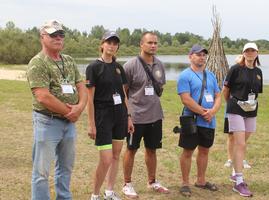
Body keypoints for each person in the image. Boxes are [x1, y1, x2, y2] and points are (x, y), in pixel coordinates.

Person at [26, 20, 87, 200]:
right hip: (47, 122)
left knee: (65, 168)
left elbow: (81, 85)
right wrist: (70, 112)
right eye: (53, 35)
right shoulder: (37, 63)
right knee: (41, 172)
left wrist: (80, 107)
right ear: (42, 37)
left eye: (61, 34)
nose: (59, 38)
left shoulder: (68, 60)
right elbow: (43, 96)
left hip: (68, 124)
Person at [86, 31, 134, 200]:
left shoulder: (119, 68)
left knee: (115, 156)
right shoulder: (93, 67)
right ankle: (95, 194)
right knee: (105, 159)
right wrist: (91, 123)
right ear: (102, 45)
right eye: (109, 42)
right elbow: (89, 99)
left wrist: (128, 117)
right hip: (103, 117)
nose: (112, 46)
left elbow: (123, 94)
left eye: (115, 43)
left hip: (119, 115)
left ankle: (109, 191)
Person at [122, 32, 169, 199]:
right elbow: (124, 92)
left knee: (152, 150)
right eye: (149, 42)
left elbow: (160, 87)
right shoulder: (130, 65)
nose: (153, 45)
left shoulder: (160, 65)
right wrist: (127, 115)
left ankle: (152, 181)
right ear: (141, 45)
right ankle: (127, 184)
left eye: (155, 43)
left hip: (155, 116)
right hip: (136, 117)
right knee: (131, 149)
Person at [176, 44, 221, 197]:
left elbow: (218, 96)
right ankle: (185, 183)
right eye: (198, 54)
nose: (202, 57)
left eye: (203, 55)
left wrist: (213, 111)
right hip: (192, 119)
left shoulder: (211, 75)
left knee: (204, 150)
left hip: (209, 121)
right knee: (188, 151)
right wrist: (203, 112)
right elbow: (186, 99)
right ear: (190, 56)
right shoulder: (185, 75)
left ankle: (201, 181)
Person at [223, 42, 263, 197]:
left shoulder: (258, 72)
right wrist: (231, 105)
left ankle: (235, 170)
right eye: (247, 50)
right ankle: (239, 181)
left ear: (257, 53)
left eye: (253, 50)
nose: (250, 53)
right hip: (235, 108)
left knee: (243, 143)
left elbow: (256, 91)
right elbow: (226, 90)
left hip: (251, 109)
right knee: (240, 143)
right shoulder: (235, 69)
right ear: (243, 53)